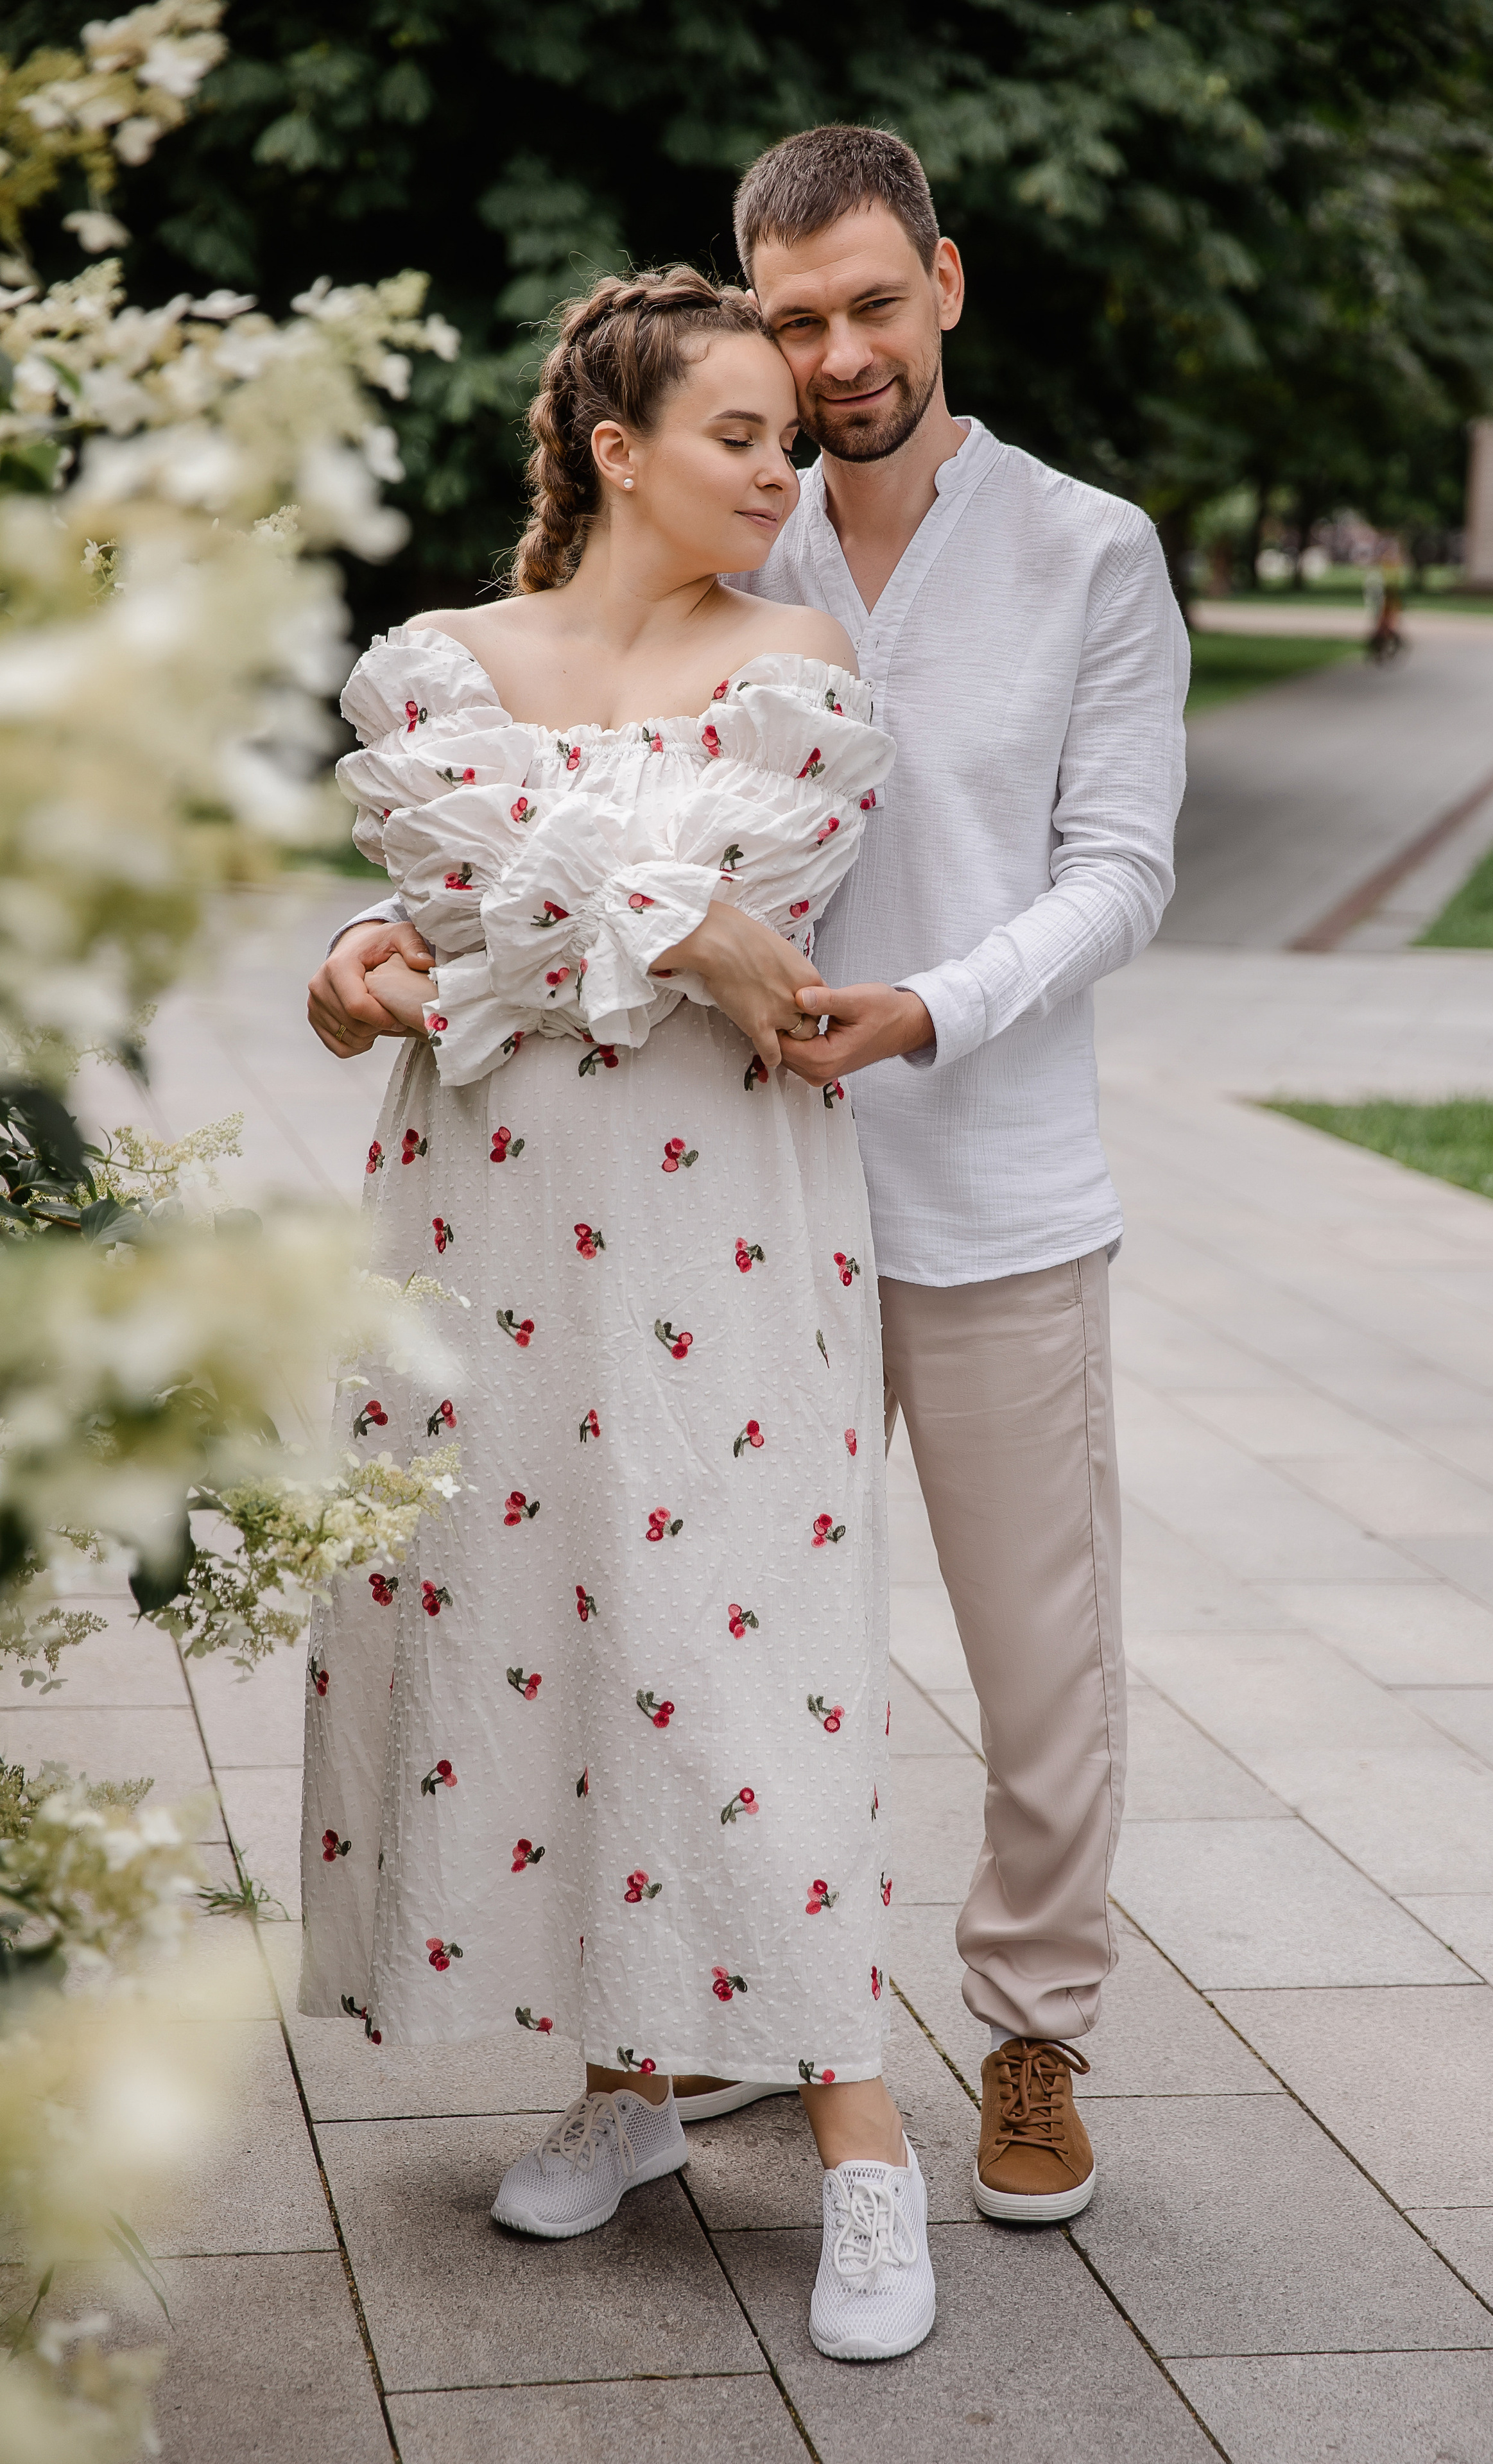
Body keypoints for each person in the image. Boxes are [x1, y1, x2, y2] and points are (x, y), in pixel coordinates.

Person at [311, 126, 1188, 2231]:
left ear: (947, 286)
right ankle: (691, 2013)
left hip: (970, 1172)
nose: (836, 359)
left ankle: (1032, 2030)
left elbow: (1124, 869)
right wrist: (368, 960)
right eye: (794, 327)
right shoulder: (722, 529)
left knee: (1033, 1661)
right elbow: (496, 841)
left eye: (871, 306)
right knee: (689, 1621)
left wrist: (932, 1009)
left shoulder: (1086, 552)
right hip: (688, 1201)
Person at [300, 268, 936, 2365]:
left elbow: (743, 876)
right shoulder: (434, 670)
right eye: (744, 434)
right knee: (541, 1621)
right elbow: (487, 874)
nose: (788, 464)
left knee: (746, 1654)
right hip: (479, 1237)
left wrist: (538, 907)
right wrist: (674, 922)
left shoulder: (800, 668)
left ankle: (863, 2144)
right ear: (614, 449)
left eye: (791, 435)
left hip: (725, 1248)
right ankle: (628, 2086)